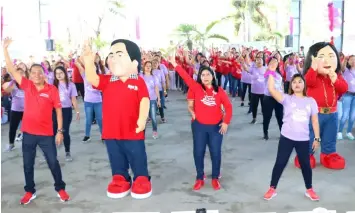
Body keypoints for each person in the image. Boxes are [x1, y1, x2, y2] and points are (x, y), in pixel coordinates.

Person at [82, 39, 152, 199]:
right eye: (111, 55)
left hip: (132, 130)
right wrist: (88, 61)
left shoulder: (138, 81)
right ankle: (120, 177)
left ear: (134, 61)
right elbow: (93, 79)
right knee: (115, 155)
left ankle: (141, 177)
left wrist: (142, 119)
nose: (114, 58)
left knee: (137, 154)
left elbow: (144, 100)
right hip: (111, 130)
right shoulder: (107, 81)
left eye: (120, 54)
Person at [3, 37, 69, 204]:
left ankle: (60, 188)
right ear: (30, 76)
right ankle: (30, 191)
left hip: (47, 134)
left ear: (43, 74)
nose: (37, 75)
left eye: (39, 72)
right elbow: (11, 69)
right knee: (27, 165)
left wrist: (60, 131)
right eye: (33, 73)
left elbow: (59, 111)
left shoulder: (52, 89)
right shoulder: (27, 85)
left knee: (53, 162)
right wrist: (5, 49)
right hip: (29, 134)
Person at [171, 57, 232, 191]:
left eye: (208, 74)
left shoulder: (219, 90)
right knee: (198, 152)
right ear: (199, 77)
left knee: (215, 152)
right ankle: (200, 177)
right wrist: (175, 64)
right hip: (199, 126)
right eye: (202, 74)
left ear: (212, 76)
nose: (205, 77)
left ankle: (215, 178)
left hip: (216, 127)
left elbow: (228, 107)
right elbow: (185, 76)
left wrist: (226, 122)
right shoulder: (196, 88)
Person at [263, 59, 320, 201]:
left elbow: (314, 121)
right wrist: (271, 70)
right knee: (280, 163)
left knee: (306, 165)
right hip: (287, 138)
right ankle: (272, 188)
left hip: (303, 139)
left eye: (300, 81)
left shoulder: (311, 101)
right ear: (291, 86)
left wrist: (317, 138)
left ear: (304, 85)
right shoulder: (286, 99)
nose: (297, 84)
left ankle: (309, 189)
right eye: (294, 82)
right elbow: (271, 89)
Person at [295, 42, 348, 170]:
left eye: (331, 56)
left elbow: (344, 88)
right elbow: (308, 82)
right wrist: (313, 69)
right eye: (322, 57)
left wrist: (335, 79)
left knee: (330, 136)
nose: (327, 60)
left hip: (332, 114)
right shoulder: (312, 75)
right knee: (311, 136)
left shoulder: (336, 76)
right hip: (315, 114)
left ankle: (328, 155)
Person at [52, 66, 80, 161]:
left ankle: (67, 152)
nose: (59, 75)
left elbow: (73, 99)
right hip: (55, 111)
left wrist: (77, 111)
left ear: (65, 73)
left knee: (65, 132)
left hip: (66, 110)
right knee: (52, 132)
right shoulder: (52, 86)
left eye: (61, 73)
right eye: (57, 73)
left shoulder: (71, 85)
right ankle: (51, 153)